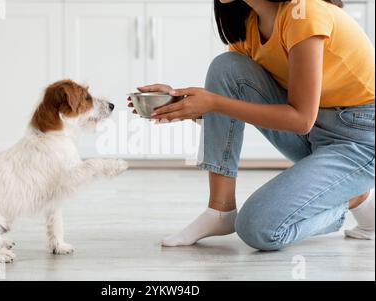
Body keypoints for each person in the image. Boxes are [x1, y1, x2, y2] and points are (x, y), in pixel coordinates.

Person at [129, 0, 375, 250]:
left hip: (361, 138)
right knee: (226, 68)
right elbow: (227, 102)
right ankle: (220, 210)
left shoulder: (304, 11)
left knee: (258, 229)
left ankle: (353, 197)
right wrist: (180, 102)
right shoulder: (248, 27)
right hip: (317, 129)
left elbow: (301, 119)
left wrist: (213, 103)